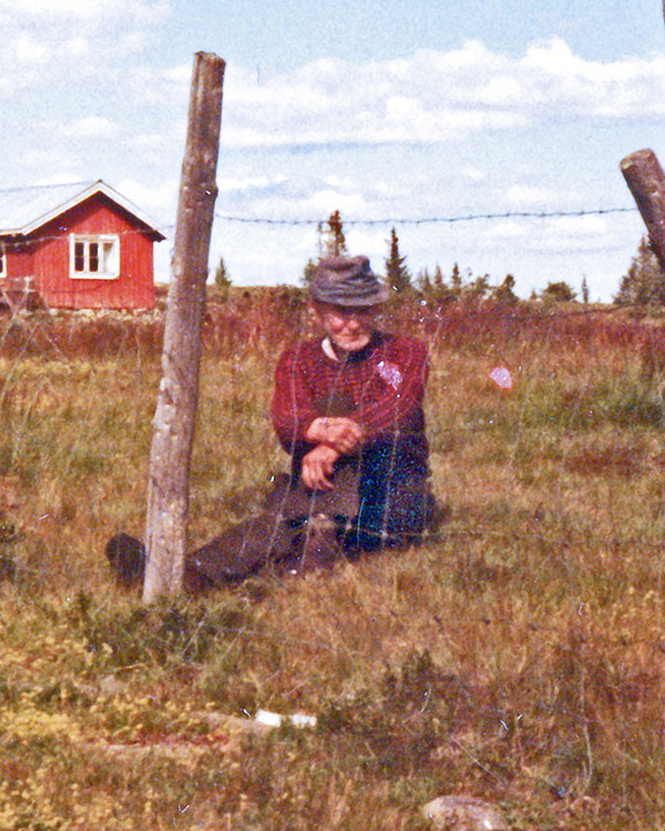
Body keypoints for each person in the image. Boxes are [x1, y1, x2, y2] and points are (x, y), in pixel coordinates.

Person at [107, 252, 433, 591]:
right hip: (321, 488)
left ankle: (209, 572)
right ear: (317, 310)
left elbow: (398, 407)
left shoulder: (405, 352)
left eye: (362, 310)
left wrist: (330, 447)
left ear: (376, 309)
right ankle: (186, 574)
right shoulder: (299, 359)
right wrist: (323, 431)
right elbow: (287, 421)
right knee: (279, 523)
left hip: (390, 493)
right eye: (340, 312)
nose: (352, 324)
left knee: (290, 516)